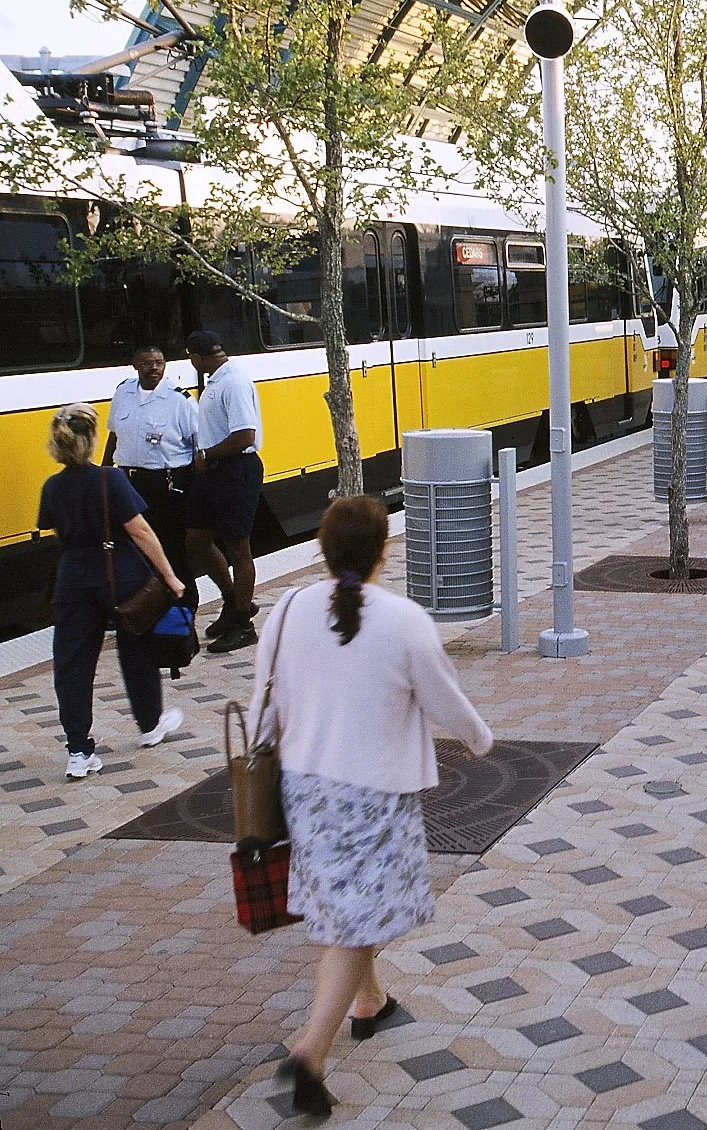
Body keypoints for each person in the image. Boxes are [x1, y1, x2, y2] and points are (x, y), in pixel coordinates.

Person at [255, 495, 494, 1116]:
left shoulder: (286, 609)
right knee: (359, 918)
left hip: (303, 786)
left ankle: (370, 1003)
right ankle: (310, 1051)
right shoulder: (404, 618)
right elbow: (444, 699)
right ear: (386, 549)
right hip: (375, 793)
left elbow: (263, 700)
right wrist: (477, 738)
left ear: (322, 549)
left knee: (348, 904)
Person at [37, 404, 187, 779]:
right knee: (137, 650)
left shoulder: (52, 487)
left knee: (72, 664)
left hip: (72, 580)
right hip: (121, 575)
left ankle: (78, 751)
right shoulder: (111, 479)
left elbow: (57, 533)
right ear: (91, 441)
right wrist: (169, 576)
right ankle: (150, 725)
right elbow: (140, 531)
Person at [185, 331, 265, 654]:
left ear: (197, 356)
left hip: (236, 471)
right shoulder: (216, 379)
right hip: (214, 473)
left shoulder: (232, 382)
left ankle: (244, 624)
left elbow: (245, 436)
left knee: (239, 549)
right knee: (196, 541)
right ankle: (232, 601)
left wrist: (207, 455)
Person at [104, 345, 200, 605]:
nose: (154, 367)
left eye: (159, 362)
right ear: (136, 366)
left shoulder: (179, 400)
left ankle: (184, 606)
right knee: (132, 549)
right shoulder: (123, 392)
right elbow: (114, 434)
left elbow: (198, 445)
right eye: (147, 363)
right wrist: (104, 472)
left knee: (170, 548)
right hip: (127, 480)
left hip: (165, 483)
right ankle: (144, 607)